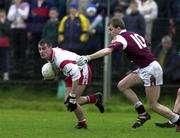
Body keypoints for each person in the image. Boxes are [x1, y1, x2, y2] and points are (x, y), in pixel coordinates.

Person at [77, 17, 180, 131]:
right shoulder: (132, 34)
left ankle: (177, 119)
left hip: (151, 69)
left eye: (111, 30)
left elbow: (108, 51)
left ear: (118, 28)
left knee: (153, 105)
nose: (110, 32)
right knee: (122, 85)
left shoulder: (121, 39)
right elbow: (147, 43)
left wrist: (88, 57)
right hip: (145, 68)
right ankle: (142, 113)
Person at [38, 39, 104, 129]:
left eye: (44, 48)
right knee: (68, 103)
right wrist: (52, 74)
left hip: (82, 71)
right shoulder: (52, 54)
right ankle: (95, 99)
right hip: (72, 72)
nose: (41, 51)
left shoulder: (60, 60)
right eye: (40, 49)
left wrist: (72, 96)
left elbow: (76, 74)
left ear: (50, 48)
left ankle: (82, 123)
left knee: (72, 101)